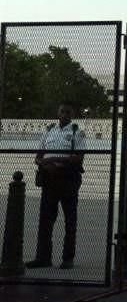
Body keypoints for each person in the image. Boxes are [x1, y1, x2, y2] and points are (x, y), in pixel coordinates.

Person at [26, 102, 85, 270]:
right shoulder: (49, 131)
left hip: (68, 179)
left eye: (68, 112)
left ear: (72, 114)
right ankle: (43, 257)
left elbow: (78, 157)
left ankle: (68, 259)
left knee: (70, 221)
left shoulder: (77, 132)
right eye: (62, 111)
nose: (65, 114)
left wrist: (53, 161)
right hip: (49, 179)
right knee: (45, 220)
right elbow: (38, 157)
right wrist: (46, 164)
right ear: (57, 113)